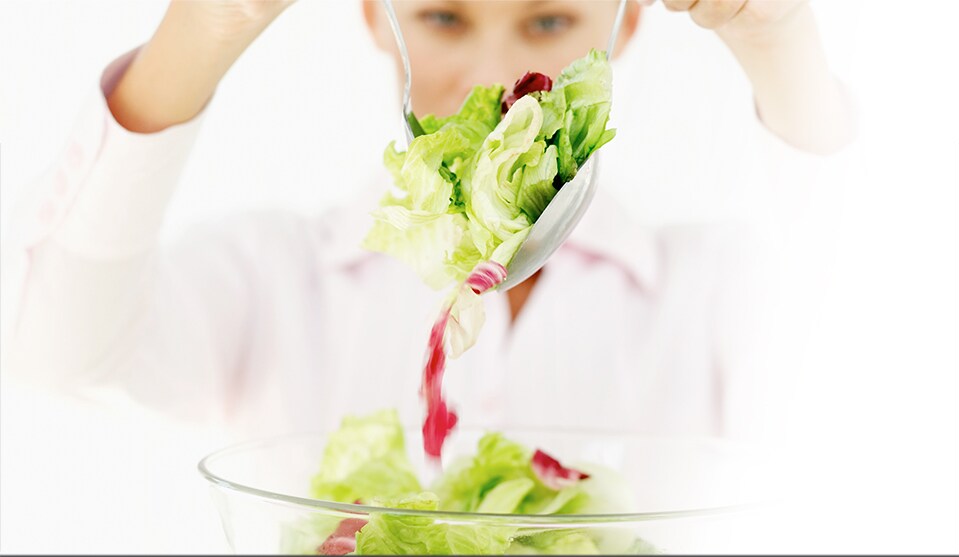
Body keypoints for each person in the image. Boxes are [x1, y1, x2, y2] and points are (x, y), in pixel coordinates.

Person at [0, 0, 855, 445]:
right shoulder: (272, 280)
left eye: (550, 20)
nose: (493, 78)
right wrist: (200, 30)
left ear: (625, 22)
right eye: (444, 17)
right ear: (380, 16)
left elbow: (869, 382)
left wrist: (781, 43)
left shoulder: (705, 296)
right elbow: (57, 345)